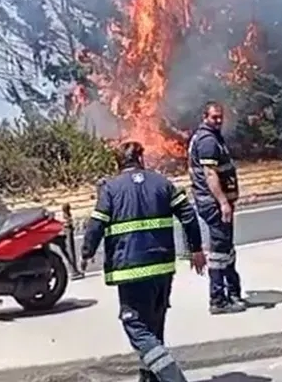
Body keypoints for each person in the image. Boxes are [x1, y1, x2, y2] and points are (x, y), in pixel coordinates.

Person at [82, 140, 207, 382]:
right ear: (141, 159)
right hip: (162, 268)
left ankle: (173, 379)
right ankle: (149, 379)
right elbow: (188, 215)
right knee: (154, 326)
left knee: (136, 327)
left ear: (118, 163)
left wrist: (87, 252)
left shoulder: (111, 189)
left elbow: (96, 223)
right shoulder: (162, 183)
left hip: (130, 270)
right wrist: (196, 249)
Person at [188, 100, 247, 314]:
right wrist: (223, 202)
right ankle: (218, 300)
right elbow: (210, 174)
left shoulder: (212, 137)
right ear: (205, 117)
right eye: (214, 117)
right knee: (220, 252)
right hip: (213, 204)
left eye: (221, 116)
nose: (219, 120)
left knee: (226, 250)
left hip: (217, 202)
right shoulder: (207, 141)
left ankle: (232, 293)